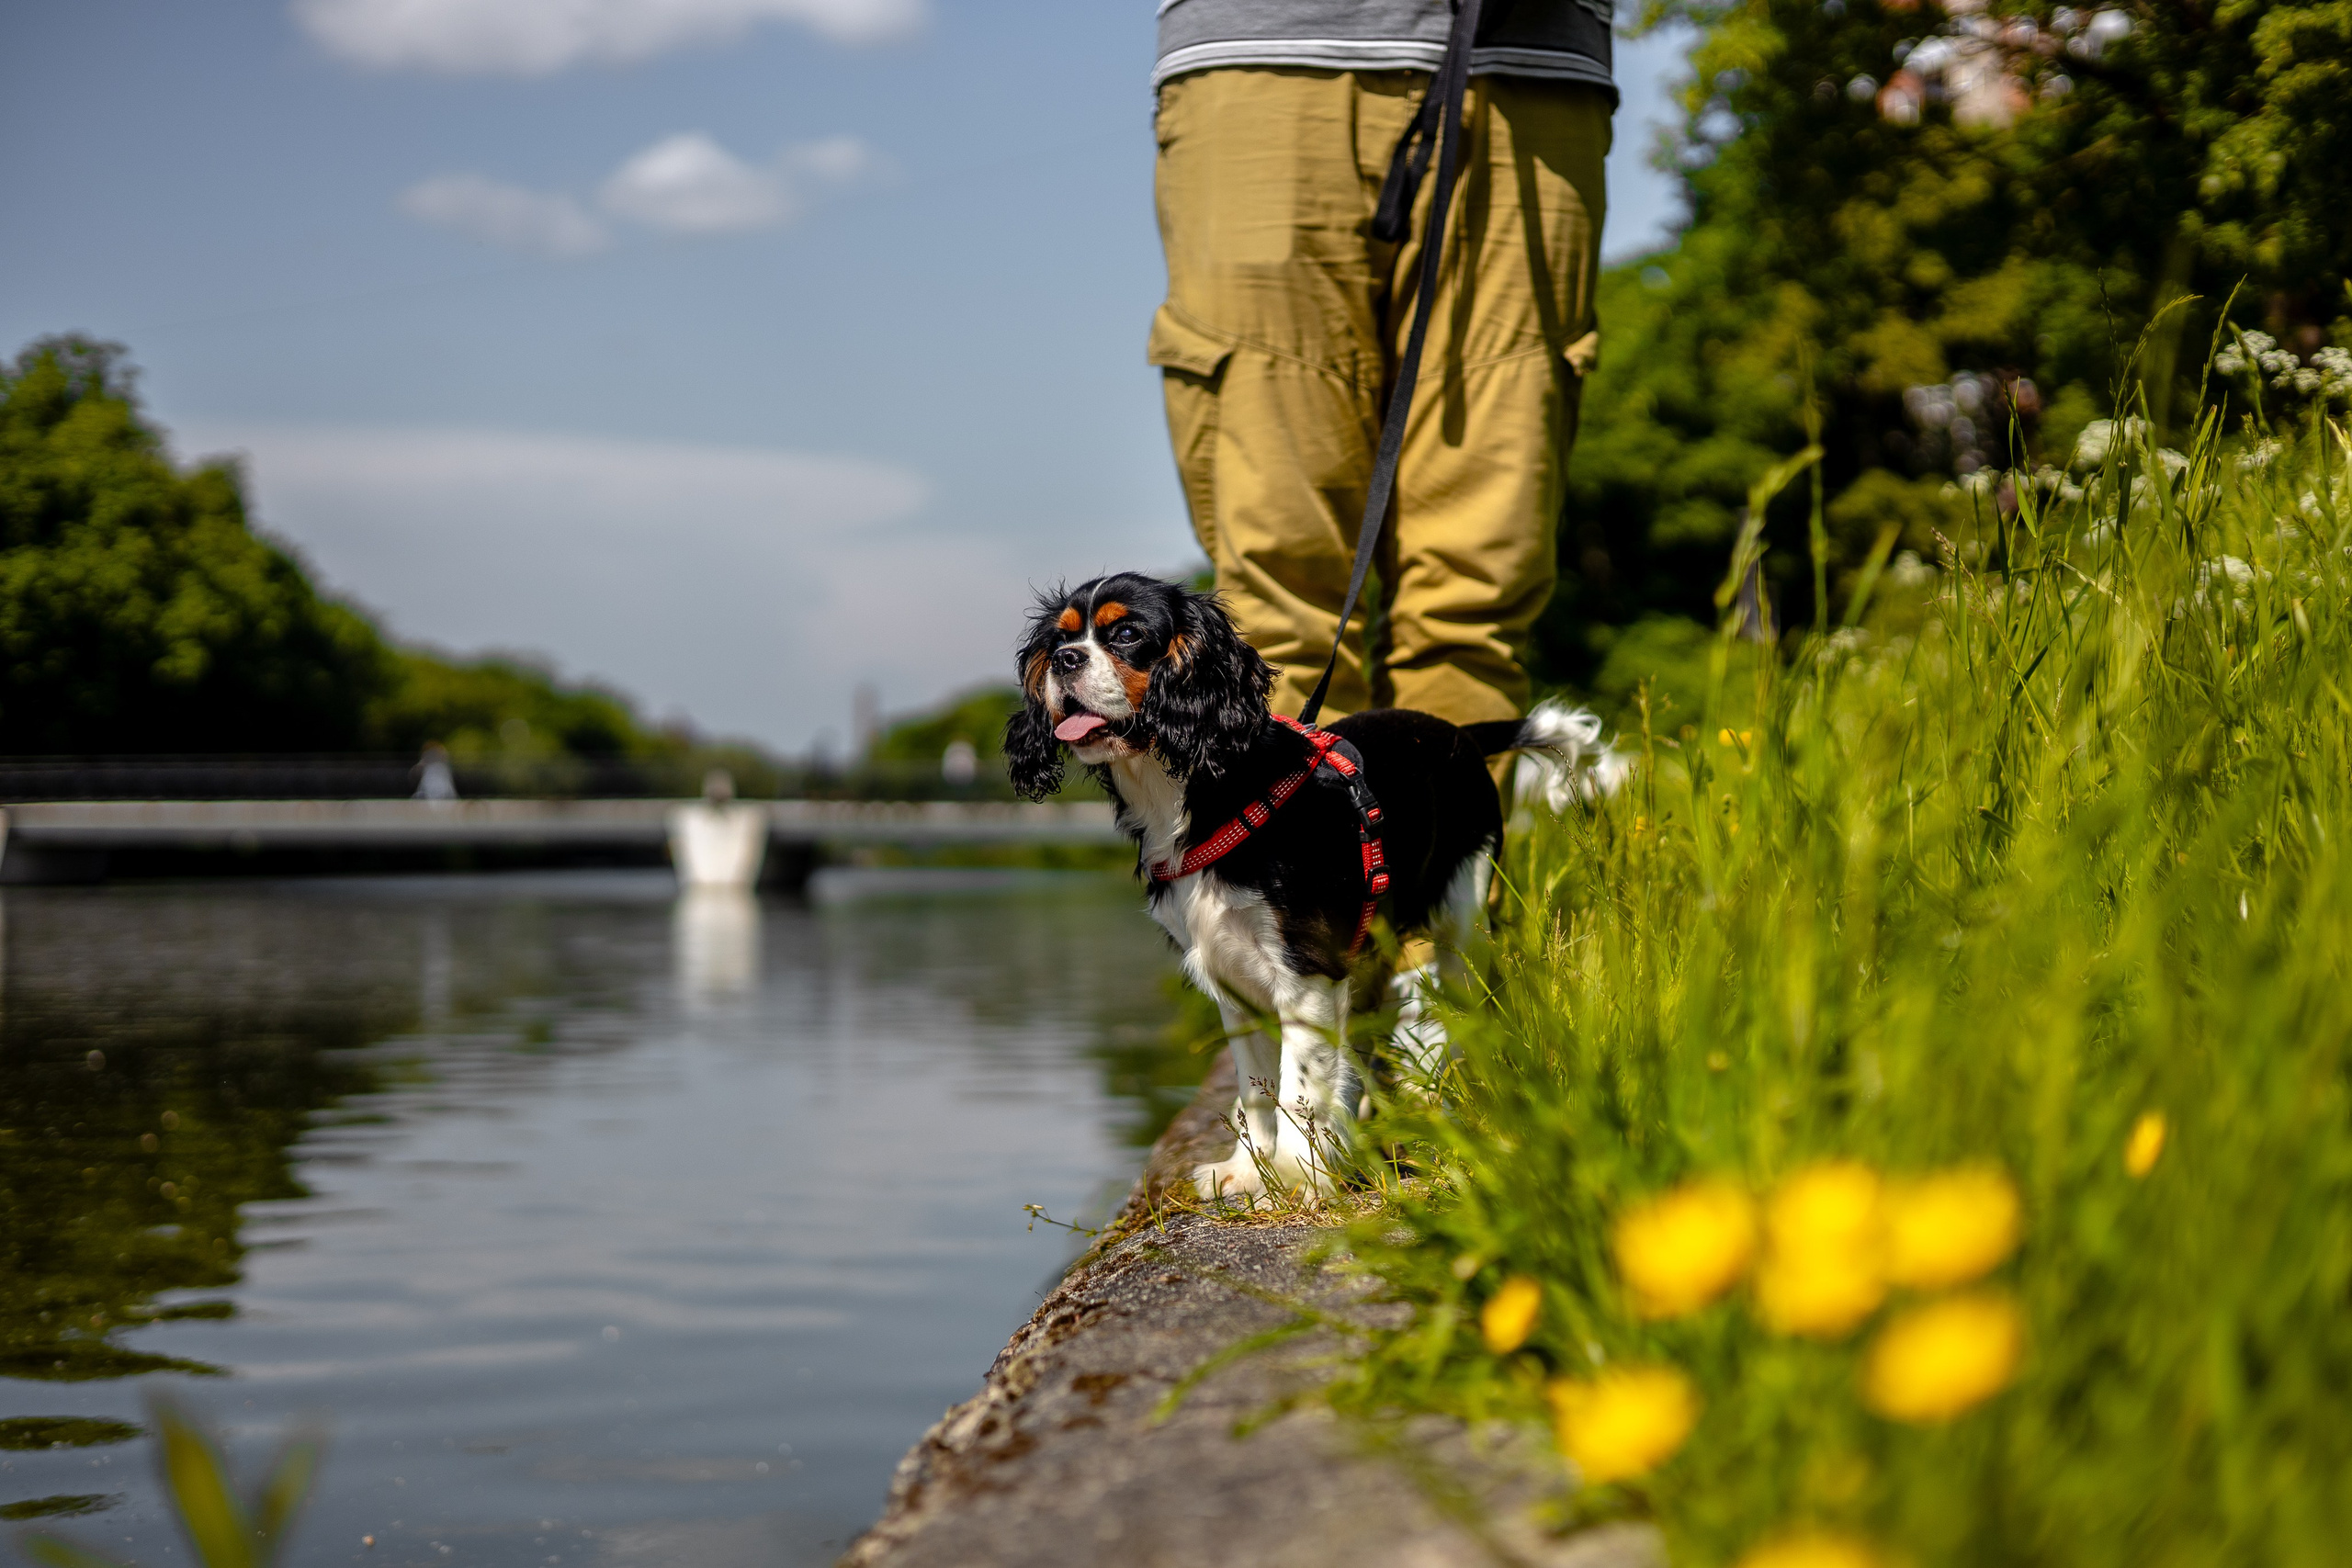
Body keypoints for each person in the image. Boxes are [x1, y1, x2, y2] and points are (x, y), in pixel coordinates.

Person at [1148, 0, 1614, 740]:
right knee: (1276, 603)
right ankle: (1298, 857)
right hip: (1265, 52)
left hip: (1530, 64)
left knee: (1475, 596)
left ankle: (1455, 855)